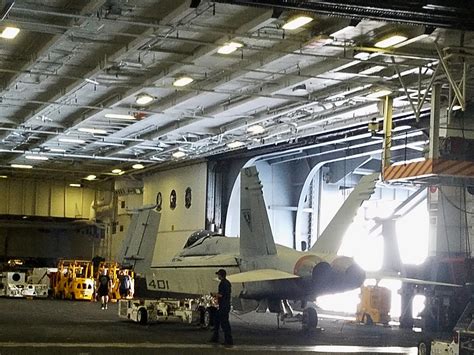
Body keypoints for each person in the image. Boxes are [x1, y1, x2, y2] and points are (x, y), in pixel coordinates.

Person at [210, 269, 233, 346]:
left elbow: (222, 295)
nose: (218, 276)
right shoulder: (227, 283)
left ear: (220, 275)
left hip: (223, 306)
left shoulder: (223, 284)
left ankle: (228, 340)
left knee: (224, 323)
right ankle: (215, 337)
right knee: (217, 320)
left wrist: (214, 294)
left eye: (218, 275)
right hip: (225, 305)